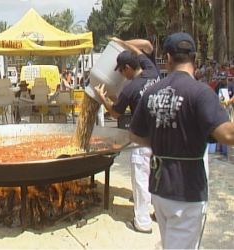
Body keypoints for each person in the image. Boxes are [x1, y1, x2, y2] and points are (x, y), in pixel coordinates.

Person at [129, 32, 234, 249]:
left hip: (159, 189)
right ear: (194, 58)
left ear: (167, 58)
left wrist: (161, 141)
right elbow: (228, 135)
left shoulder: (151, 92)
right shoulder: (201, 93)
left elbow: (134, 135)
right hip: (187, 191)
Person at [94, 39, 160, 234]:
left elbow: (115, 113)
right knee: (157, 177)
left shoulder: (130, 89)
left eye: (122, 71)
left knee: (140, 180)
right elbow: (140, 49)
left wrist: (102, 97)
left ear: (128, 68)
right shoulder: (152, 70)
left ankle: (142, 222)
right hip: (161, 137)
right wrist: (119, 42)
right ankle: (158, 211)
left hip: (141, 140)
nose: (121, 75)